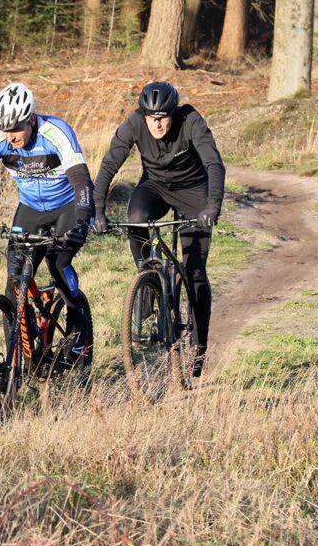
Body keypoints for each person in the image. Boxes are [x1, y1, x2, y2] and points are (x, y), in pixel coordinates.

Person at [0, 81, 94, 370]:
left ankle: (79, 333)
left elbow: (80, 179)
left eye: (15, 129)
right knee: (14, 281)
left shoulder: (56, 132)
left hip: (68, 207)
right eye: (4, 129)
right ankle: (16, 360)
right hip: (30, 209)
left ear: (30, 119)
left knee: (57, 264)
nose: (9, 136)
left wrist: (81, 219)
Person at [92, 81, 225, 377]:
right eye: (152, 117)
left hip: (194, 191)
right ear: (144, 115)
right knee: (136, 217)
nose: (158, 123)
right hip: (155, 186)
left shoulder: (191, 120)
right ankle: (148, 278)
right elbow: (109, 164)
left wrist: (212, 205)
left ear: (173, 114)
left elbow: (214, 163)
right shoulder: (135, 123)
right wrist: (98, 209)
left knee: (194, 271)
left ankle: (199, 347)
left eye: (163, 117)